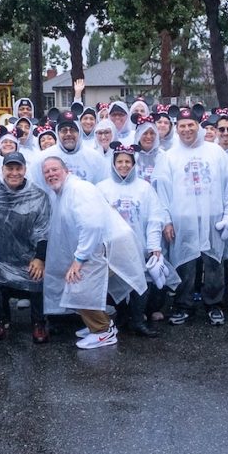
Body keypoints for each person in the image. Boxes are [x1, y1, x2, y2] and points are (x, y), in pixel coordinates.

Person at [40, 157, 146, 350]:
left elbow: (92, 225)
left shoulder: (79, 189)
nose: (51, 174)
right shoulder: (63, 192)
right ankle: (98, 324)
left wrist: (79, 259)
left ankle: (103, 331)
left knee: (79, 285)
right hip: (96, 246)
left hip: (104, 246)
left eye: (54, 169)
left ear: (66, 171)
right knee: (78, 286)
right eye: (46, 172)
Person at [154, 107, 228, 326]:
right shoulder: (169, 156)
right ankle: (183, 305)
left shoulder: (215, 152)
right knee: (185, 263)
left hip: (212, 217)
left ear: (198, 126)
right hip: (183, 220)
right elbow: (162, 191)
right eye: (182, 126)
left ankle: (214, 304)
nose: (187, 130)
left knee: (214, 262)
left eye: (190, 125)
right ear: (176, 129)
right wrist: (166, 220)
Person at [97, 143, 167, 338]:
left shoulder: (145, 188)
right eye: (119, 161)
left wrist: (154, 245)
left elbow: (154, 218)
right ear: (113, 164)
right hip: (114, 247)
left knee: (140, 282)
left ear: (134, 164)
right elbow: (96, 219)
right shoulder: (102, 188)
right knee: (116, 281)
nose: (124, 165)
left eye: (128, 161)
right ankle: (122, 315)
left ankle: (137, 320)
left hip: (138, 245)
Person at [0, 151, 53, 343]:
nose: (14, 173)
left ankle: (39, 323)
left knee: (38, 277)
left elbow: (43, 230)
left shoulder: (38, 196)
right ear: (2, 169)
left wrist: (40, 258)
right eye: (10, 168)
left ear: (25, 169)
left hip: (27, 255)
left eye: (18, 168)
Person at [37, 117, 109, 184]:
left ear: (79, 132)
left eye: (72, 130)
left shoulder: (95, 157)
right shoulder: (44, 157)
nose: (68, 134)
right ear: (58, 133)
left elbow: (103, 185)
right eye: (64, 130)